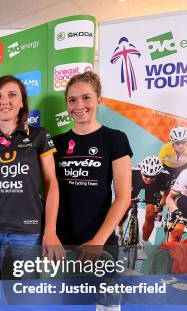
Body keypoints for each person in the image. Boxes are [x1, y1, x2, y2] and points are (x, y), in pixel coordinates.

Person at [0, 75, 61, 278]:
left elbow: (51, 183)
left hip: (28, 236)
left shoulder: (39, 135)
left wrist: (50, 230)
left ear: (22, 102)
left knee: (23, 300)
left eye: (12, 95)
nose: (4, 101)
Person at [53, 71, 132, 259]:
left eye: (86, 98)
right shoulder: (56, 143)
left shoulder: (115, 139)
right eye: (72, 100)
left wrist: (98, 241)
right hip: (60, 242)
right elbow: (50, 193)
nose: (79, 105)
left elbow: (123, 197)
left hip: (100, 241)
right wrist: (50, 234)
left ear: (99, 99)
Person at [126, 156, 170, 249]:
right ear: (141, 172)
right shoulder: (132, 172)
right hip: (136, 184)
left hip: (153, 188)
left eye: (152, 177)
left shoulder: (165, 176)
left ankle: (143, 245)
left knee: (150, 215)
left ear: (158, 174)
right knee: (125, 206)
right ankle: (120, 230)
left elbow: (166, 194)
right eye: (146, 176)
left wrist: (161, 205)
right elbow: (122, 189)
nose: (149, 179)